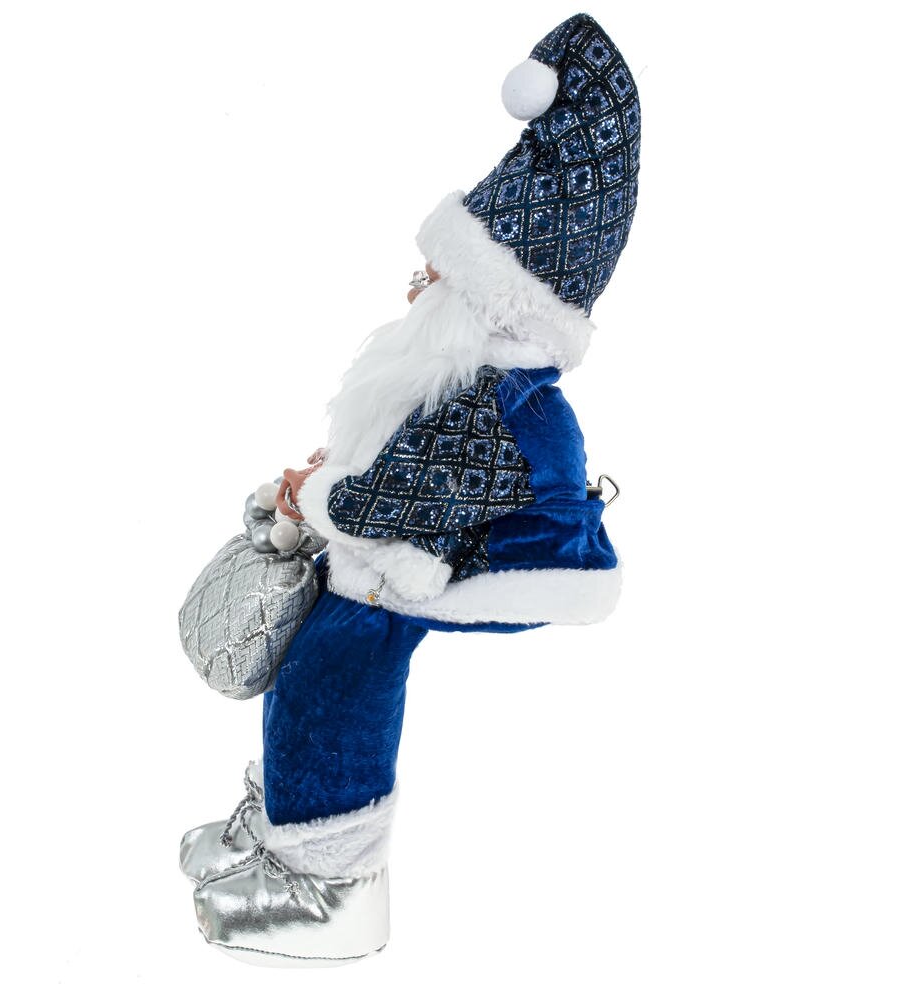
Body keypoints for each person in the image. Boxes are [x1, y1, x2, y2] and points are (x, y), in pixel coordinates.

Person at [180, 12, 641, 966]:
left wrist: (314, 495)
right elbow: (392, 478)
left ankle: (327, 884)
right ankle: (285, 829)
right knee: (319, 661)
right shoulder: (461, 376)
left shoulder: (496, 401)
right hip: (414, 557)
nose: (417, 285)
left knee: (334, 673)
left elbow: (390, 501)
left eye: (438, 276)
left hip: (461, 570)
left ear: (488, 298)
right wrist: (318, 485)